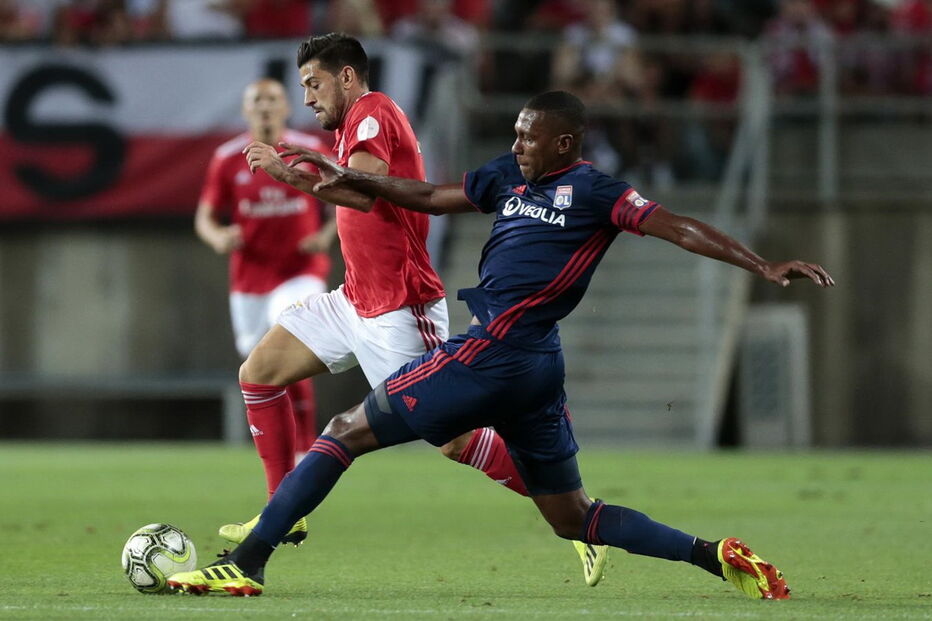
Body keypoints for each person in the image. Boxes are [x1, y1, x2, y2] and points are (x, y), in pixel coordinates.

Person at [168, 90, 833, 598]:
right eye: (514, 134)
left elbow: (679, 228)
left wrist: (761, 264)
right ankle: (714, 554)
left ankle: (246, 562)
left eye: (529, 138)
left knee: (345, 428)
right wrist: (346, 176)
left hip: (498, 352)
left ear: (566, 143)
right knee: (574, 517)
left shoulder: (597, 191)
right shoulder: (507, 180)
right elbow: (426, 194)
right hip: (536, 368)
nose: (516, 146)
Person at [229, 34, 608, 583]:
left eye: (314, 83)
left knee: (453, 440)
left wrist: (285, 173)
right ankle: (282, 515)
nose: (307, 97)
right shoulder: (351, 121)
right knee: (259, 374)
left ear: (348, 78)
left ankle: (580, 520)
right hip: (353, 299)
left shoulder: (372, 113)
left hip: (400, 308)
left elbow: (360, 191)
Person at [196, 78, 334, 491]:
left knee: (290, 342)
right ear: (245, 111)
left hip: (300, 271)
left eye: (273, 100)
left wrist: (324, 239)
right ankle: (281, 452)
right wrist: (218, 236)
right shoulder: (226, 158)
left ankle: (305, 449)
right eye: (257, 101)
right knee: (260, 368)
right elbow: (205, 216)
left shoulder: (308, 151)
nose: (265, 107)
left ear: (286, 108)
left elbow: (343, 203)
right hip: (250, 280)